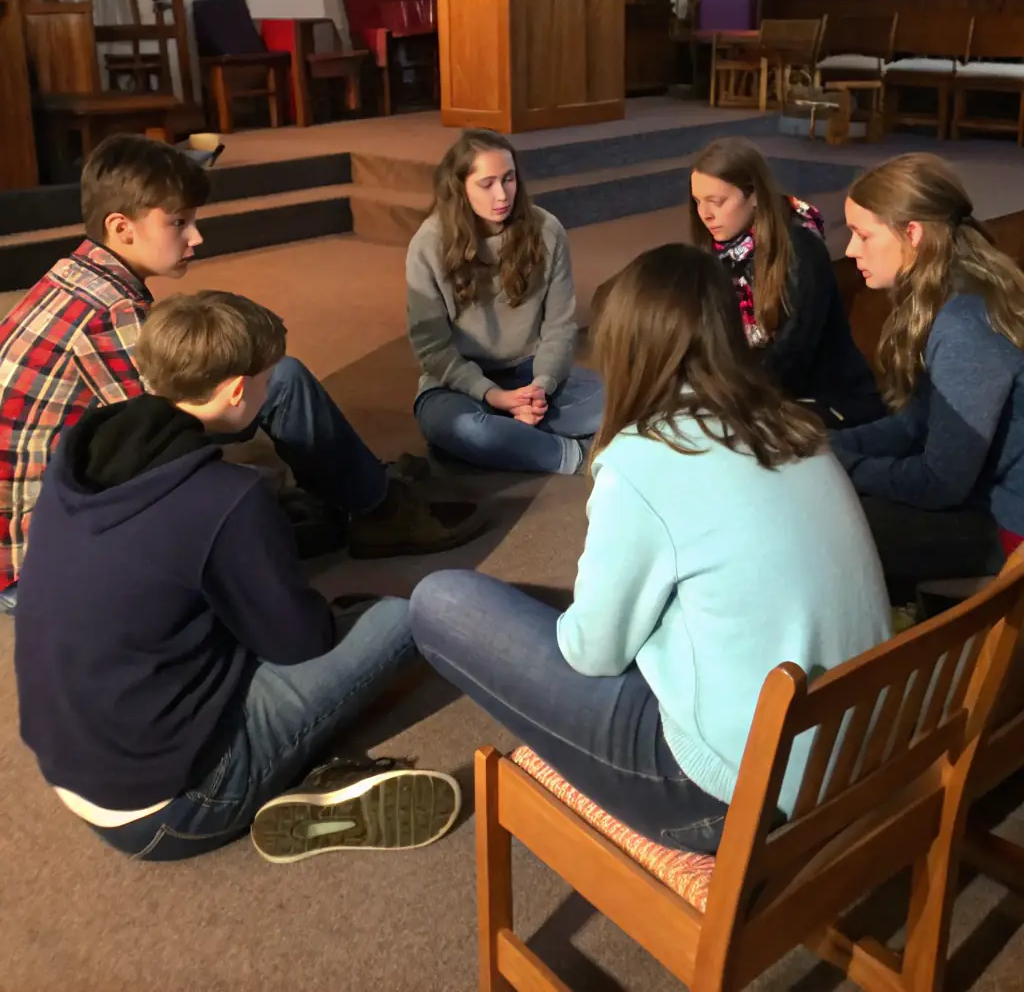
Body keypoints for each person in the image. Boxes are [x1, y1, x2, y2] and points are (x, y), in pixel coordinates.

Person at [409, 244, 890, 852]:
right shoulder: (793, 425)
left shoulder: (645, 455)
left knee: (440, 600)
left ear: (628, 348)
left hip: (725, 793)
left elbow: (592, 652)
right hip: (849, 748)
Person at [14, 290, 460, 862]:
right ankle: (297, 783)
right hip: (171, 808)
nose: (275, 388)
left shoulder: (80, 453)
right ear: (235, 391)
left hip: (74, 768)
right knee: (400, 618)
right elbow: (299, 643)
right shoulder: (231, 500)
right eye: (269, 379)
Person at [0, 134, 477, 611]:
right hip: (45, 566)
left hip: (29, 539)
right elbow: (164, 444)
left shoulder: (72, 275)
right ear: (121, 227)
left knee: (258, 393)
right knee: (278, 380)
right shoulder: (112, 314)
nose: (196, 237)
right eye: (179, 223)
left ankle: (363, 489)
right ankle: (376, 507)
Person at [833, 153, 1024, 602]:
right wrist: (832, 446)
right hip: (985, 504)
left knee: (833, 526)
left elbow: (940, 482)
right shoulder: (948, 294)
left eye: (862, 234)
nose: (849, 250)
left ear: (912, 233)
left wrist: (844, 470)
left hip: (1010, 531)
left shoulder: (963, 325)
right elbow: (914, 424)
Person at [406, 130, 603, 474]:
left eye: (508, 179)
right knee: (461, 428)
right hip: (459, 383)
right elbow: (432, 348)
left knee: (628, 402)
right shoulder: (429, 243)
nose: (502, 195)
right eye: (487, 184)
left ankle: (513, 436)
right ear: (460, 188)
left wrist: (541, 387)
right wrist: (492, 395)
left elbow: (559, 327)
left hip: (533, 374)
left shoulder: (547, 231)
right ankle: (574, 456)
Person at [689, 136, 883, 429]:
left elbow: (790, 355)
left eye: (717, 202)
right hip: (765, 395)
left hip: (828, 403)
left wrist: (725, 402)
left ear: (753, 195)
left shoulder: (799, 250)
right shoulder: (721, 252)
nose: (705, 214)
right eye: (698, 202)